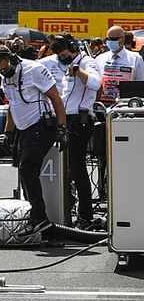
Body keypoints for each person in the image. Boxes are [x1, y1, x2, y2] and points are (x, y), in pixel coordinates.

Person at [0, 45, 67, 237]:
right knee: (23, 171)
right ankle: (37, 217)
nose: (3, 73)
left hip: (41, 125)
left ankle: (39, 218)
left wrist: (61, 127)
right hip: (23, 129)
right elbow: (12, 104)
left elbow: (56, 98)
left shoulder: (34, 70)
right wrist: (8, 132)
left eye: (5, 69)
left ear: (12, 59)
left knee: (27, 169)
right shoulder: (5, 77)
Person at [49, 34, 102, 227]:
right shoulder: (66, 66)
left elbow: (96, 84)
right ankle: (68, 206)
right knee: (69, 169)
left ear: (72, 48)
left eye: (63, 54)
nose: (61, 58)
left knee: (77, 170)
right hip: (68, 120)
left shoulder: (87, 63)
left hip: (80, 121)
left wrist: (79, 71)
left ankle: (85, 215)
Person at [95, 25, 144, 105]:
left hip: (126, 105)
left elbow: (140, 84)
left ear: (123, 39)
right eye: (108, 39)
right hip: (103, 105)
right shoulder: (99, 59)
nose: (111, 41)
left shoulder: (136, 59)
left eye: (114, 39)